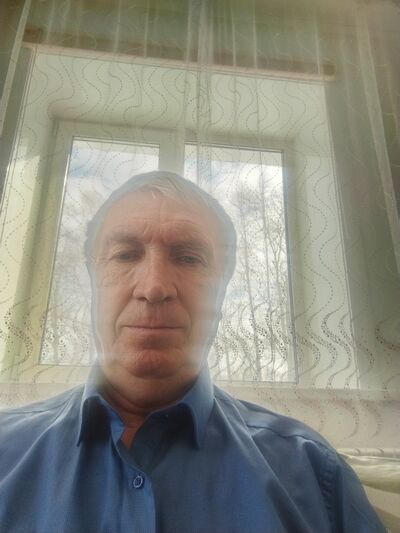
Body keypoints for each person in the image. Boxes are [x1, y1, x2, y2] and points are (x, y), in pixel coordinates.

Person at [0, 171, 385, 533]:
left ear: (223, 286)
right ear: (92, 277)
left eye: (188, 258)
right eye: (126, 255)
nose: (154, 287)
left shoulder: (313, 471)